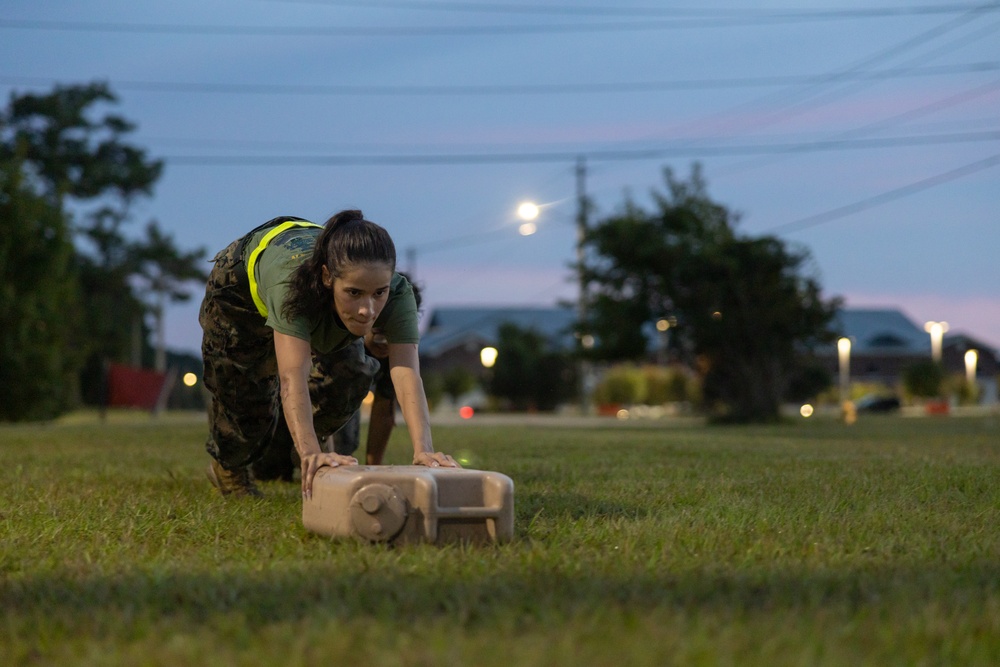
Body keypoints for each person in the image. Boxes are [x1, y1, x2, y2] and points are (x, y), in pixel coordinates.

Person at [199, 210, 457, 499]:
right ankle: (229, 468)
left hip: (318, 296)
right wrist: (311, 453)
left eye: (378, 293)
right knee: (248, 405)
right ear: (326, 277)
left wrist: (424, 450)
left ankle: (311, 445)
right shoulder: (292, 288)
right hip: (240, 295)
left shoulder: (398, 294)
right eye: (354, 293)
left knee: (353, 371)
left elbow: (406, 373)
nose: (367, 310)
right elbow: (292, 376)